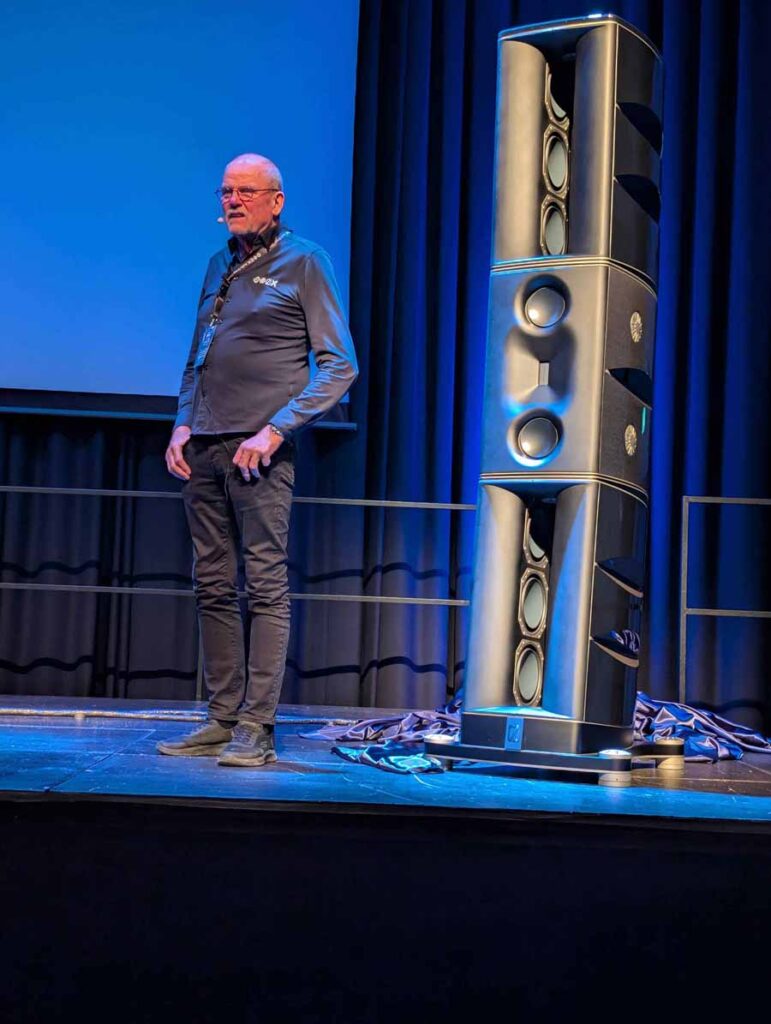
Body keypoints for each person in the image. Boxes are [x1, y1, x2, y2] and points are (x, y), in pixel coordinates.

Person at [157, 153, 358, 767]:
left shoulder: (305, 262)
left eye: (247, 191)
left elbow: (340, 367)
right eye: (227, 191)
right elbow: (198, 356)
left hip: (259, 453)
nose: (234, 201)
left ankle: (257, 728)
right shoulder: (219, 264)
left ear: (277, 200)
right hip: (203, 447)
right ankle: (222, 718)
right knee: (212, 585)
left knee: (264, 586)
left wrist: (276, 430)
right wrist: (182, 423)